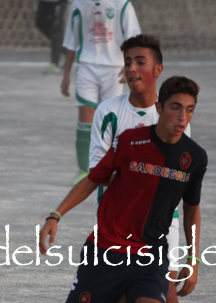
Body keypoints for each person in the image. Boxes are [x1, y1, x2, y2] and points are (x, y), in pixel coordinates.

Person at [0, 77, 207, 303]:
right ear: (159, 108)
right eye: (175, 108)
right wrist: (56, 214)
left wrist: (193, 259)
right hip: (108, 248)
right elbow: (93, 178)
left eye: (190, 110)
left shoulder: (194, 158)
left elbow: (192, 209)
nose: (182, 117)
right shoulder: (131, 141)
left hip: (151, 252)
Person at [89, 34, 202, 303]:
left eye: (140, 62)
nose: (132, 69)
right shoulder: (109, 112)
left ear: (158, 69)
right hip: (119, 224)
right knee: (126, 302)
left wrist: (193, 255)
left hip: (162, 224)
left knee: (165, 297)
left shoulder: (172, 114)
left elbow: (183, 182)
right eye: (128, 62)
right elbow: (99, 172)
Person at [60, 0, 141, 184]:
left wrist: (129, 67)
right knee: (85, 113)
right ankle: (84, 170)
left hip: (114, 68)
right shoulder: (79, 5)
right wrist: (66, 75)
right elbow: (71, 42)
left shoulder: (122, 4)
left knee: (112, 119)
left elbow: (134, 39)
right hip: (87, 65)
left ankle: (114, 167)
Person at [35, 0, 69, 73]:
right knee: (40, 23)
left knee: (56, 28)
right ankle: (67, 51)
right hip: (45, 2)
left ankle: (55, 64)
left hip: (58, 2)